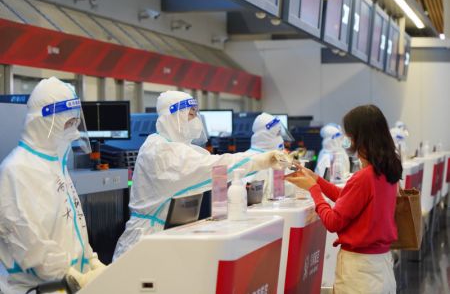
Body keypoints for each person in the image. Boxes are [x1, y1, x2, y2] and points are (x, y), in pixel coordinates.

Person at [113, 91, 290, 260]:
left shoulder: (179, 148)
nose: (195, 121)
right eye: (190, 115)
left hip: (167, 235)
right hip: (146, 240)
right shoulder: (159, 150)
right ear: (173, 117)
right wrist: (260, 160)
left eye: (196, 115)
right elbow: (215, 166)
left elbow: (213, 164)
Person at [0, 77, 105, 293]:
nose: (73, 130)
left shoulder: (56, 163)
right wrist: (71, 275)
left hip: (68, 285)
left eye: (75, 122)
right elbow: (30, 247)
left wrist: (91, 260)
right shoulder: (18, 170)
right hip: (42, 288)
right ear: (43, 122)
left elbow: (72, 229)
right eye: (67, 124)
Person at [286, 105, 401, 294]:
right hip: (381, 268)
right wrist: (316, 179)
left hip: (360, 273)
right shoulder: (386, 171)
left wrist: (313, 190)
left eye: (349, 135)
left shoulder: (364, 177)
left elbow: (333, 222)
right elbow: (351, 201)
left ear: (359, 137)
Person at [246, 112, 297, 199]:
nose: (281, 139)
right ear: (265, 136)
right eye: (278, 134)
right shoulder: (251, 159)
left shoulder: (277, 157)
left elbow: (291, 187)